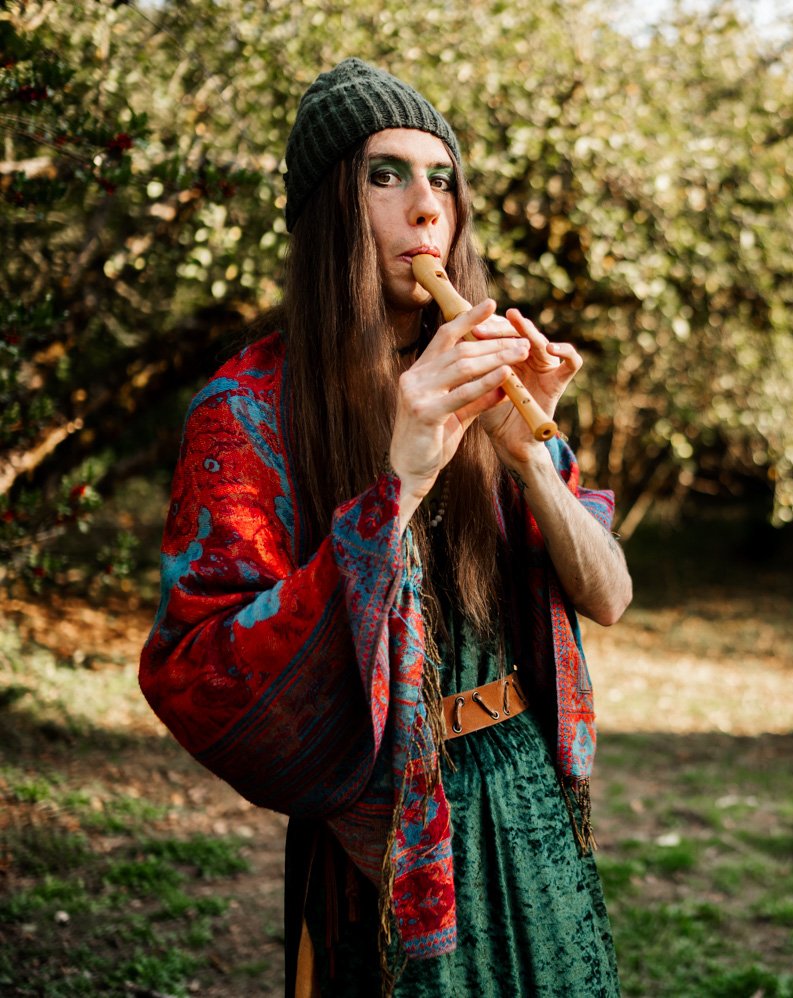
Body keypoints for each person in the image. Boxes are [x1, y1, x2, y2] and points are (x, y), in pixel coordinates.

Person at [139, 58, 630, 997]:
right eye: (387, 174)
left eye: (442, 177)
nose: (426, 207)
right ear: (330, 207)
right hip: (381, 828)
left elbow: (608, 595)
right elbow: (200, 670)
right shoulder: (247, 407)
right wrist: (399, 478)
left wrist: (525, 456)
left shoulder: (487, 376)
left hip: (524, 792)